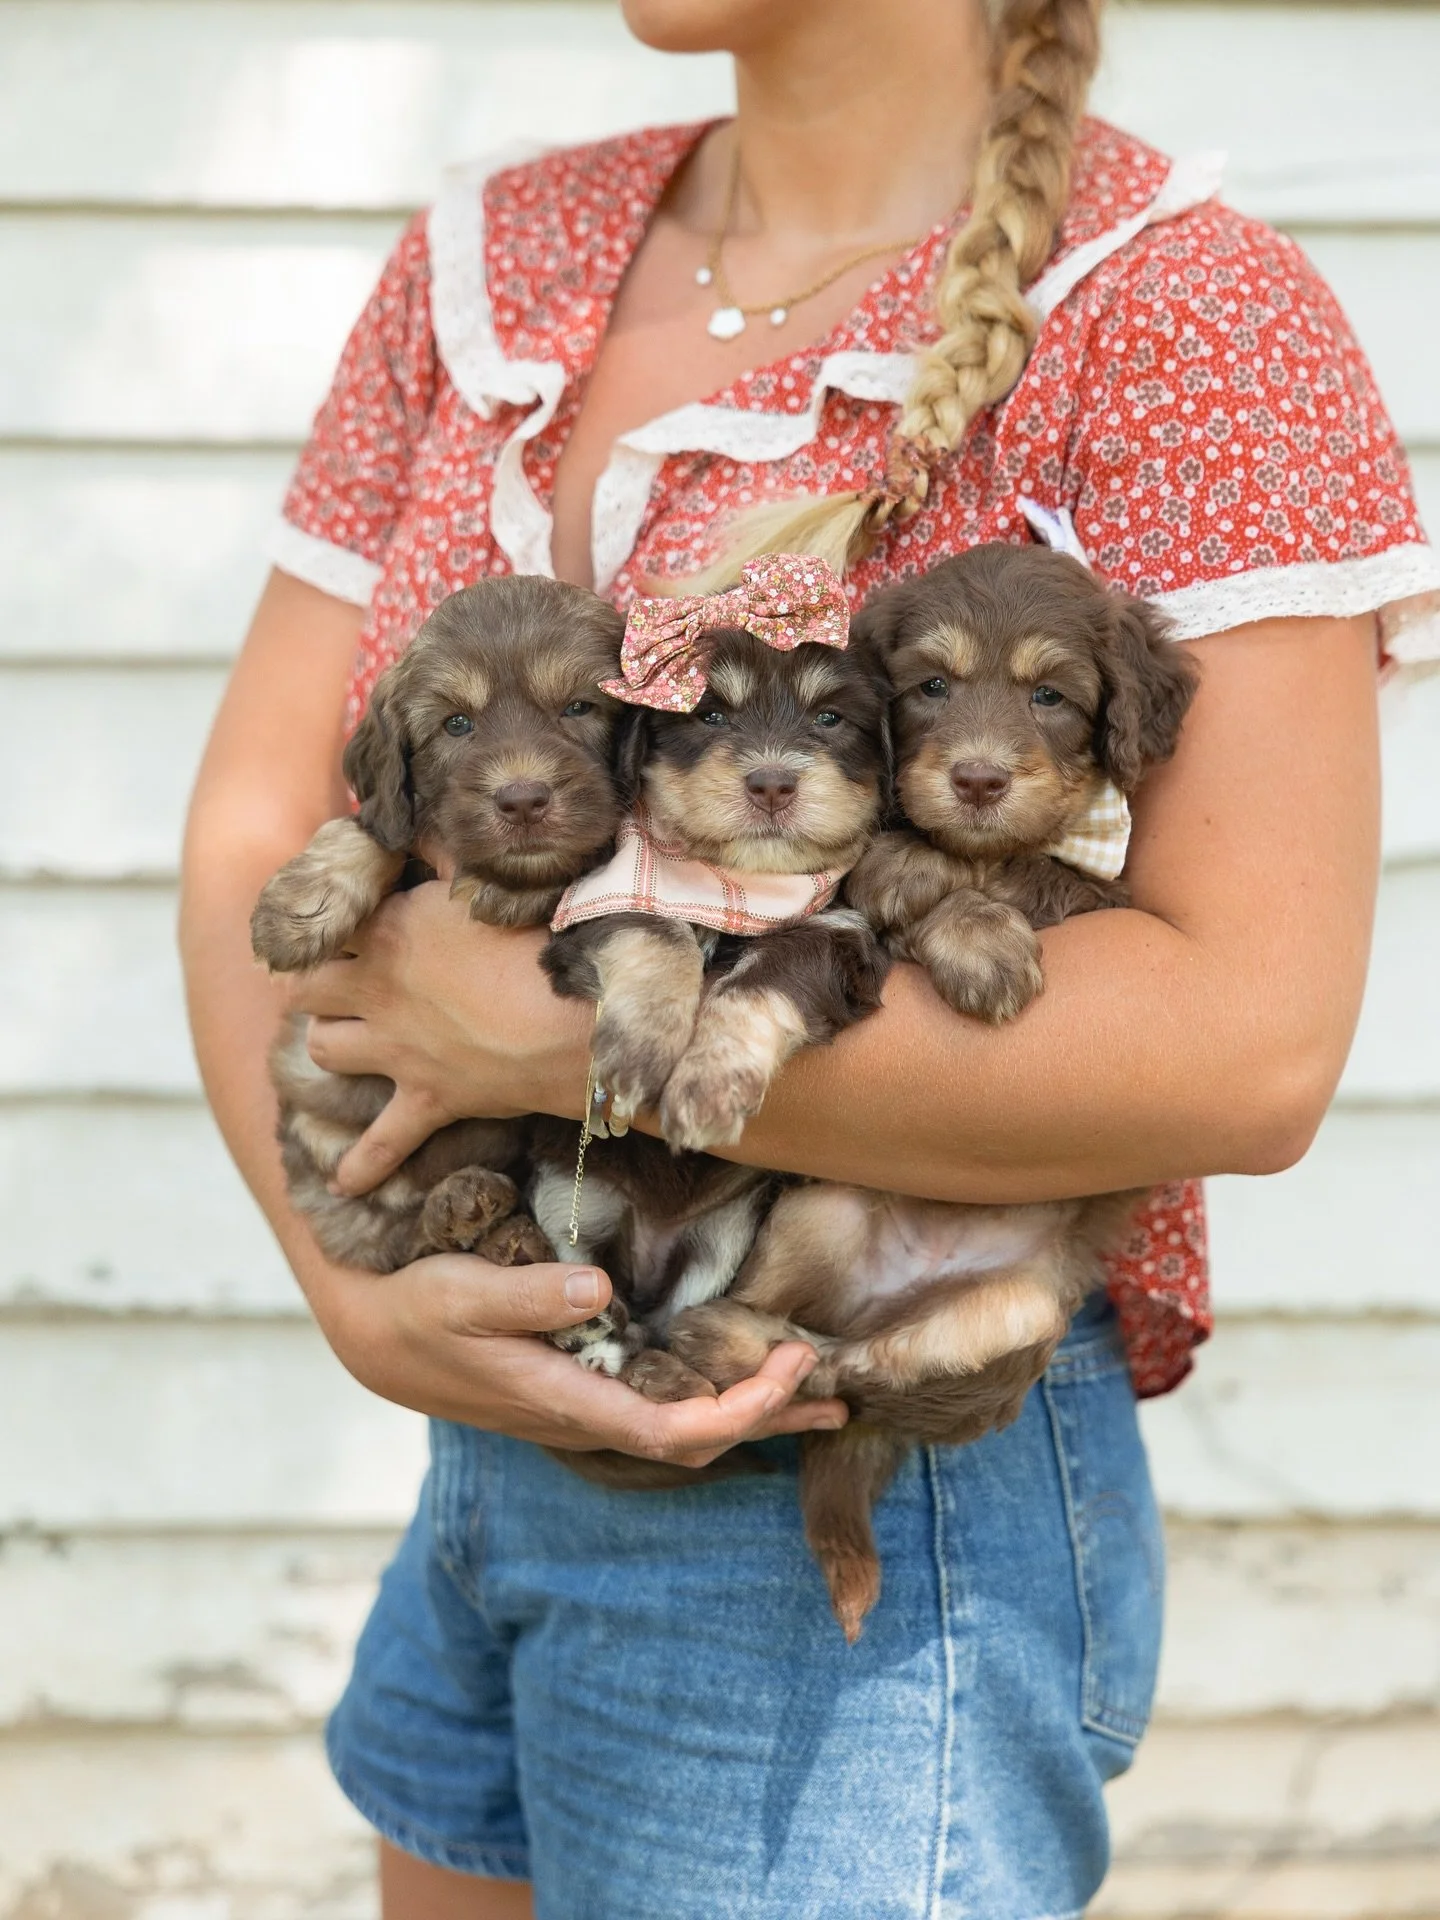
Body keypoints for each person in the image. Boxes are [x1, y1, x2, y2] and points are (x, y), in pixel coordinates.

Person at [179, 0, 1438, 1913]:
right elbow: (249, 827)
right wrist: (350, 1287)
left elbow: (1248, 1046)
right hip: (487, 1422)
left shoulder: (1189, 308)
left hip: (859, 1443)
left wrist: (528, 1033)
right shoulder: (492, 261)